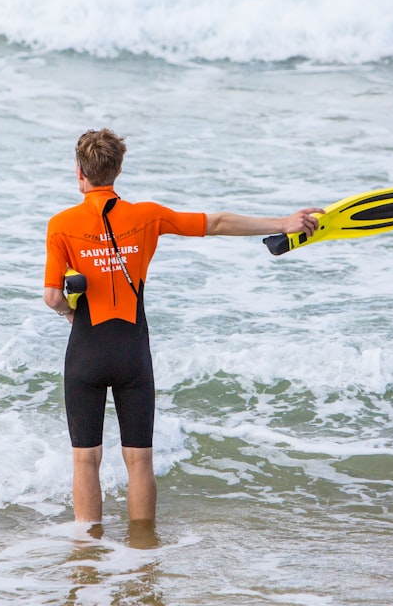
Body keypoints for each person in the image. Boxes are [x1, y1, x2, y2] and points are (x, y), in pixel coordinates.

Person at [43, 128, 323, 527]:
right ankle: (141, 552)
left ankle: (88, 556)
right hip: (132, 353)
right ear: (119, 169)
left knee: (86, 458)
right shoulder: (148, 216)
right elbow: (218, 223)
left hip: (86, 351)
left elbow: (53, 297)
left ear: (79, 173)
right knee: (139, 459)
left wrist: (72, 314)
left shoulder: (61, 225)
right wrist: (283, 220)